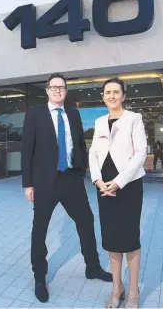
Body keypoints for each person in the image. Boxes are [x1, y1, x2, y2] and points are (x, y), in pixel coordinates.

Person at [21, 73, 113, 303]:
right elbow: (27, 150)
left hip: (71, 179)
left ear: (66, 91)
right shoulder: (35, 114)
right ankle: (40, 277)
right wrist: (28, 183)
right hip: (45, 181)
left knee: (86, 220)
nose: (58, 90)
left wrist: (82, 172)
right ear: (47, 91)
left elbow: (80, 143)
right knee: (40, 228)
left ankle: (92, 267)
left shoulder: (73, 113)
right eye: (54, 87)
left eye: (61, 87)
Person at [89, 78, 147, 308]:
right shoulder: (99, 121)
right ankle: (117, 288)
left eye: (116, 92)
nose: (112, 96)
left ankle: (132, 293)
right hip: (104, 188)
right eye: (107, 92)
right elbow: (93, 152)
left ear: (124, 95)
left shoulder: (134, 118)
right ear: (103, 97)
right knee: (112, 239)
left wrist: (119, 182)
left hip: (128, 186)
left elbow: (141, 153)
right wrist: (97, 180)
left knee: (130, 240)